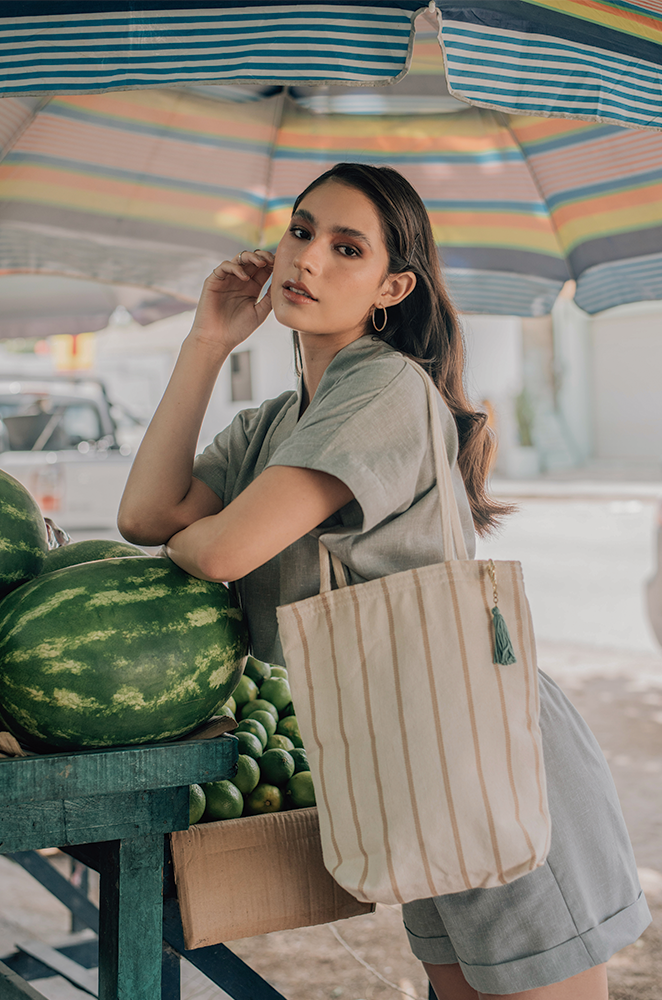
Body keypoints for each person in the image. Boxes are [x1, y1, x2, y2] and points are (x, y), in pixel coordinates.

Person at [118, 163, 650, 999]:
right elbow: (146, 515)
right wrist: (209, 343)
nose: (309, 259)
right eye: (301, 231)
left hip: (489, 753)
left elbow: (221, 553)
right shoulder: (280, 419)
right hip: (405, 766)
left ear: (391, 287)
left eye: (346, 247)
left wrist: (204, 536)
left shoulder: (386, 390)